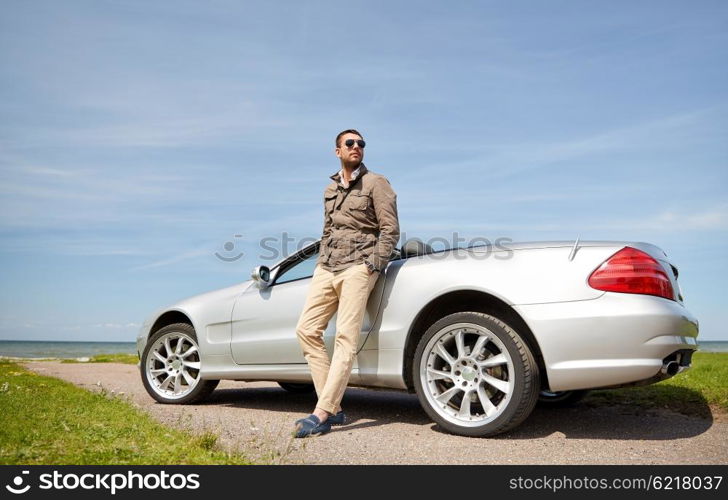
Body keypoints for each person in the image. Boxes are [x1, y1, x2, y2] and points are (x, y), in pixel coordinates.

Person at [294, 129, 400, 438]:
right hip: (327, 267)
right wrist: (320, 264)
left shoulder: (376, 183)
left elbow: (390, 230)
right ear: (337, 151)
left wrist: (371, 266)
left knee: (345, 338)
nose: (357, 147)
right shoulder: (329, 189)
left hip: (358, 266)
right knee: (306, 330)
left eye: (361, 143)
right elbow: (327, 230)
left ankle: (322, 412)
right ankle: (337, 409)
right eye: (350, 143)